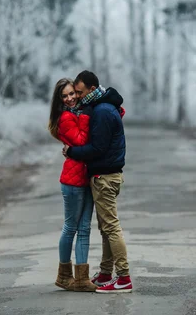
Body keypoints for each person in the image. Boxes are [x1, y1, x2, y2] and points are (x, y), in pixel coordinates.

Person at [63, 70, 133, 294]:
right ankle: (105, 274)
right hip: (107, 175)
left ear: (92, 89)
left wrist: (72, 151)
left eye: (81, 92)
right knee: (106, 229)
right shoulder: (102, 106)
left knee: (111, 228)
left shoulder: (102, 111)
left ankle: (123, 278)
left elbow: (98, 148)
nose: (79, 96)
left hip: (104, 176)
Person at [48, 78, 96, 292]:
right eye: (64, 96)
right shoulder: (66, 117)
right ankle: (64, 274)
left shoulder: (78, 112)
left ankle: (82, 278)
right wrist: (86, 115)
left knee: (85, 228)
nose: (69, 98)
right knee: (71, 227)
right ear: (59, 100)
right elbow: (82, 141)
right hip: (72, 181)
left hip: (85, 178)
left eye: (71, 94)